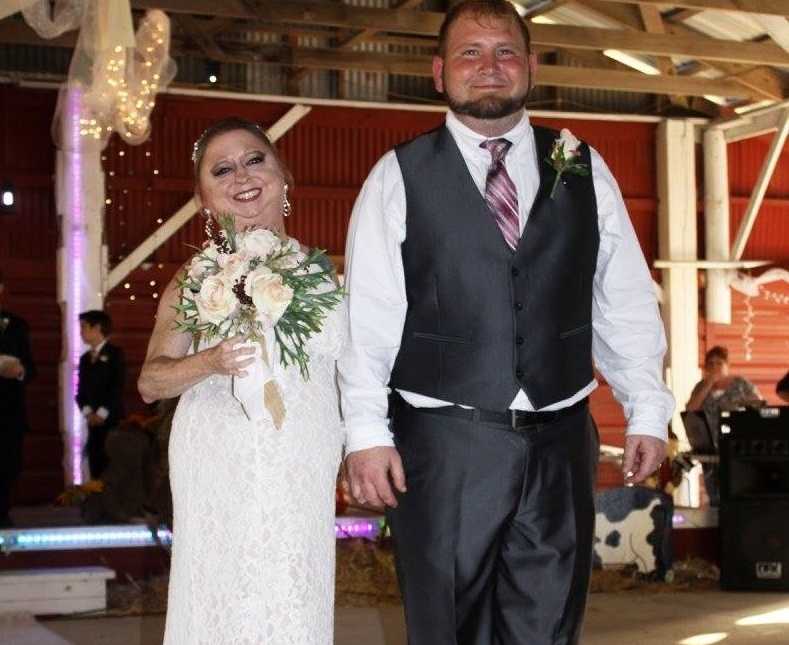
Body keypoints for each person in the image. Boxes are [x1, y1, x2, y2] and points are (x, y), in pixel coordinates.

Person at [338, 2, 675, 643]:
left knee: (549, 626)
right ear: (439, 72)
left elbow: (623, 297)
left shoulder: (581, 165)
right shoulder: (399, 174)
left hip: (562, 437)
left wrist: (646, 409)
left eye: (505, 52)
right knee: (448, 625)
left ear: (531, 66)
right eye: (470, 53)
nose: (489, 67)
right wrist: (364, 432)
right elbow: (370, 316)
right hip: (443, 440)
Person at [138, 117, 345, 644]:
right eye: (222, 169)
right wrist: (209, 361)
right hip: (217, 452)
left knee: (294, 592)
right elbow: (151, 382)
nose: (242, 176)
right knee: (219, 594)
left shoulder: (334, 273)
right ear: (205, 199)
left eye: (255, 160)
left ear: (283, 175)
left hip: (302, 455)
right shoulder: (195, 278)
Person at [686, 345, 761, 505]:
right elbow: (690, 411)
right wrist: (708, 384)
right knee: (715, 497)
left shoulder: (741, 384)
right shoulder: (701, 387)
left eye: (719, 363)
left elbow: (759, 407)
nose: (714, 367)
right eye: (710, 364)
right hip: (709, 451)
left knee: (736, 495)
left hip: (736, 450)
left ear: (727, 366)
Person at [0, 269, 36, 528]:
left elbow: (32, 368)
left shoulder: (18, 324)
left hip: (9, 411)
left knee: (8, 463)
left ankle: (3, 511)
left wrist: (20, 371)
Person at [77, 310, 126, 479]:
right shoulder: (84, 359)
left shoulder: (115, 354)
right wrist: (88, 412)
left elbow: (117, 387)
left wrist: (101, 414)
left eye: (84, 327)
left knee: (111, 464)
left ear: (97, 327)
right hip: (93, 422)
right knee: (95, 463)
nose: (81, 332)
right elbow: (81, 392)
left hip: (112, 421)